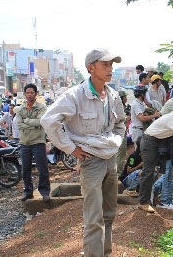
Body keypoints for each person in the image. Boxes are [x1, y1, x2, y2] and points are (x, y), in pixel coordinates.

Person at [40, 48, 126, 257]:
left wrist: (114, 142)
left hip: (109, 159)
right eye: (105, 64)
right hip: (90, 161)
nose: (110, 69)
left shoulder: (112, 94)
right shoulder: (75, 96)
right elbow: (48, 121)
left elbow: (121, 124)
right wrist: (71, 149)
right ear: (91, 67)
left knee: (109, 213)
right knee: (94, 217)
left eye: (111, 65)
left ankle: (104, 253)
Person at [15, 83, 50, 202]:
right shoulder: (20, 108)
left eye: (32, 93)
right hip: (25, 143)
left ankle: (44, 192)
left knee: (42, 168)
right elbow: (19, 124)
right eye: (27, 93)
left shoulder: (42, 107)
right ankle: (28, 192)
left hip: (38, 142)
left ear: (36, 94)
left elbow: (41, 122)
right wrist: (33, 124)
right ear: (24, 94)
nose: (29, 95)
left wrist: (27, 121)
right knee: (25, 169)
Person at [131, 85, 161, 150]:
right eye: (145, 94)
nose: (145, 95)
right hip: (138, 131)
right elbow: (141, 118)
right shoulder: (136, 104)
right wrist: (154, 115)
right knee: (139, 152)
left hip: (143, 130)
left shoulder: (141, 103)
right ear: (142, 94)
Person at [116, 90, 129, 173]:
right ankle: (118, 172)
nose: (126, 98)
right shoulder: (119, 108)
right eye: (125, 97)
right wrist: (127, 118)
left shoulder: (122, 107)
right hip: (119, 133)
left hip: (122, 132)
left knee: (121, 152)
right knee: (121, 152)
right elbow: (120, 120)